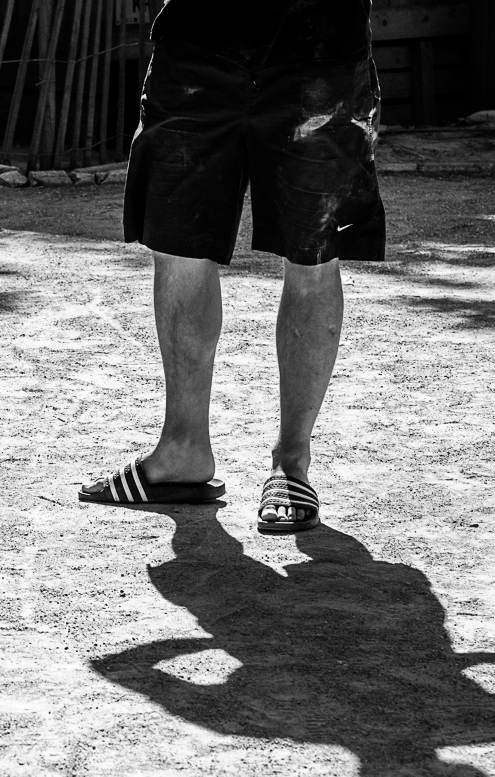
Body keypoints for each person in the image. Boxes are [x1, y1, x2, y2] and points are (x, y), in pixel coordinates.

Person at [79, 0, 385, 531]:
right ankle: (182, 451)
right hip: (196, 46)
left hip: (320, 53)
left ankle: (292, 464)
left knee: (312, 250)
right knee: (177, 241)